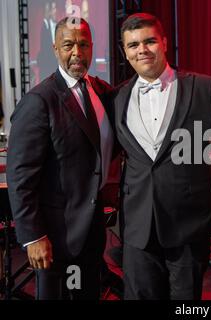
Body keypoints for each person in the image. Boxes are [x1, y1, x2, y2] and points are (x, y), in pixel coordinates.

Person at [113, 13, 211, 300]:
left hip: (188, 224)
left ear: (164, 42)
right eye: (133, 45)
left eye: (149, 41)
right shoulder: (116, 98)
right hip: (138, 226)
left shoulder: (204, 88)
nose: (142, 50)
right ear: (125, 51)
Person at [7, 17, 114, 300]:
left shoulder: (102, 92)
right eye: (68, 45)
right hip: (55, 237)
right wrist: (33, 237)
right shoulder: (38, 101)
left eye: (83, 44)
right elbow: (20, 177)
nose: (77, 52)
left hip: (91, 231)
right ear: (55, 48)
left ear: (92, 47)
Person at [37, 1, 57, 82]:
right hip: (47, 66)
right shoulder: (44, 26)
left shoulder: (56, 25)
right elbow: (44, 48)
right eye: (53, 9)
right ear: (48, 11)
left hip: (55, 66)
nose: (55, 11)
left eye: (55, 8)